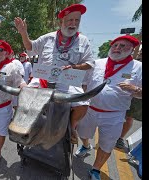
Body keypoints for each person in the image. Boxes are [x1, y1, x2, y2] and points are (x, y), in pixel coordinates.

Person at [14, 3, 94, 145]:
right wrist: (23, 33)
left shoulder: (83, 40)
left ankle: (71, 127)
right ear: (61, 21)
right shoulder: (48, 38)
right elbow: (30, 48)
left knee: (83, 104)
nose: (73, 24)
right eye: (70, 20)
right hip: (43, 78)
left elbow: (90, 63)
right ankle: (23, 127)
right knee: (25, 96)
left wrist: (75, 66)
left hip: (67, 81)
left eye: (77, 21)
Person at [74, 35, 142, 180]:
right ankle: (86, 145)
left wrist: (135, 89)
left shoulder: (138, 67)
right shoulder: (97, 63)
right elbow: (84, 83)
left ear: (131, 49)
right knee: (82, 133)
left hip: (115, 115)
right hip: (90, 109)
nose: (117, 48)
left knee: (107, 145)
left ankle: (95, 170)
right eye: (115, 45)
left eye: (123, 46)